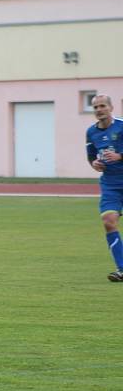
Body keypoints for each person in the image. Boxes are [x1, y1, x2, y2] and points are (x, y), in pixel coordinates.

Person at [86, 93, 123, 282]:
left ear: (111, 107)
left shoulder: (122, 126)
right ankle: (122, 268)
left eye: (102, 106)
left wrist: (120, 156)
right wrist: (95, 164)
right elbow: (91, 156)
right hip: (110, 185)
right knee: (109, 221)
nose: (99, 110)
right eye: (95, 107)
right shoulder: (91, 132)